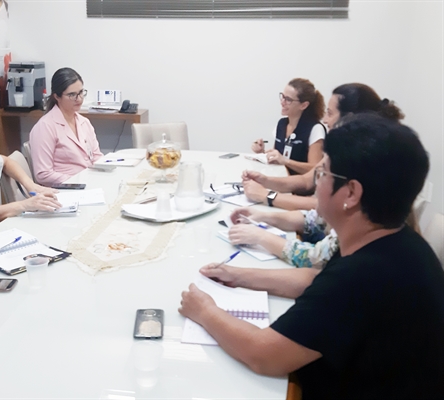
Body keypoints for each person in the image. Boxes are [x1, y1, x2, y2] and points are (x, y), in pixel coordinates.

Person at [179, 114, 444, 399]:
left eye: (324, 173)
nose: (316, 184)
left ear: (351, 193)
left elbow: (264, 354)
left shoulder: (363, 276)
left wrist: (205, 311)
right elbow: (315, 280)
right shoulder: (395, 241)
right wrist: (239, 276)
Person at [243, 83, 404, 210]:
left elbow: (322, 207)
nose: (325, 120)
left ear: (349, 119)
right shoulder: (340, 150)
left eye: (330, 113)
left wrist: (266, 195)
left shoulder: (363, 161)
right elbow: (307, 181)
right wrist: (264, 181)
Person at [29, 67, 103, 185]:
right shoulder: (45, 127)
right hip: (64, 189)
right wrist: (78, 181)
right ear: (57, 96)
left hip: (88, 184)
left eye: (80, 93)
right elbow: (43, 174)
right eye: (72, 95)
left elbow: (96, 157)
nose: (78, 99)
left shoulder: (84, 122)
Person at [251, 78, 325, 175]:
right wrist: (261, 153)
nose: (282, 102)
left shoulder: (315, 129)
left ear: (303, 105)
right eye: (282, 96)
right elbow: (277, 158)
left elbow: (316, 169)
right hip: (281, 181)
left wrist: (286, 161)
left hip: (301, 187)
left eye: (288, 99)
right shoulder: (281, 124)